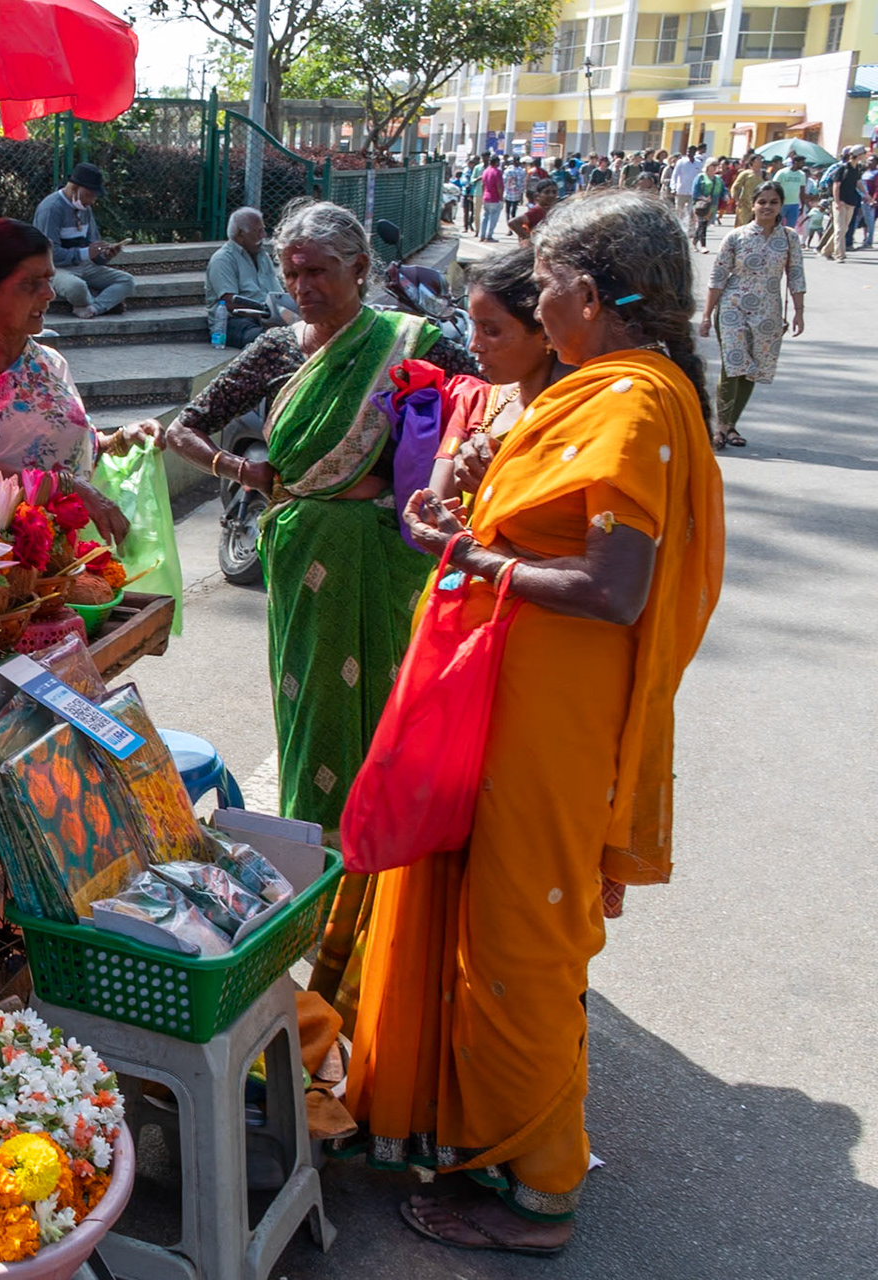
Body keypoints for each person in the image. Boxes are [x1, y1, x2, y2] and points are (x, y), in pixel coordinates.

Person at [346, 190, 725, 1256]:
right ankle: (487, 1133)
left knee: (521, 940)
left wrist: (473, 562)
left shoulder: (634, 404)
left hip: (552, 720)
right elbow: (547, 535)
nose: (539, 300)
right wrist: (459, 524)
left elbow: (613, 587)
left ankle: (540, 1189)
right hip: (511, 698)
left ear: (590, 296)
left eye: (547, 283)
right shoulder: (599, 391)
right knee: (491, 925)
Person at [134, 200, 480, 1030]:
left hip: (384, 563)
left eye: (318, 270)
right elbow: (188, 424)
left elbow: (492, 406)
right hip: (302, 555)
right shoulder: (278, 349)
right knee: (314, 718)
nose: (302, 286)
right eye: (291, 271)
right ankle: (329, 900)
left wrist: (435, 480)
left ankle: (393, 900)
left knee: (388, 719)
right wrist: (238, 469)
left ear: (361, 269)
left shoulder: (413, 342)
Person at [0, 218, 143, 539]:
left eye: (49, 279)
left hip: (45, 552)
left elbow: (59, 451)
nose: (48, 294)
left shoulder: (49, 362)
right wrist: (64, 488)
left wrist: (119, 441)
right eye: (31, 283)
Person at [428, 246, 571, 502]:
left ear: (545, 331)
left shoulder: (577, 416)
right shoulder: (476, 402)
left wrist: (500, 484)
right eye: (474, 326)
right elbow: (436, 503)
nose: (474, 345)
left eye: (490, 331)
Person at [700, 182, 805, 449]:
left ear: (781, 205)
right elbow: (718, 277)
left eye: (773, 202)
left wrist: (799, 312)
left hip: (768, 312)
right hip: (732, 308)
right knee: (732, 365)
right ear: (753, 205)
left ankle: (730, 426)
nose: (767, 207)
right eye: (762, 202)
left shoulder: (790, 237)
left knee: (751, 371)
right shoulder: (736, 237)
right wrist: (706, 315)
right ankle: (719, 427)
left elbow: (796, 275)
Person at [31, 162, 134, 319]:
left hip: (83, 266)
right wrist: (86, 253)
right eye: (90, 195)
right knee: (76, 287)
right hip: (55, 269)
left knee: (127, 281)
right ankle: (103, 303)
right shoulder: (51, 209)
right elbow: (48, 254)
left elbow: (92, 248)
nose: (92, 201)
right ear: (74, 188)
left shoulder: (85, 209)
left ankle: (94, 307)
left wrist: (105, 254)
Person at [204, 206, 285, 347]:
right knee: (266, 339)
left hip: (268, 317)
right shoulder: (223, 259)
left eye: (263, 230)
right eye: (258, 231)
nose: (264, 235)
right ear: (241, 235)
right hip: (236, 322)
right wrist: (263, 316)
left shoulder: (263, 256)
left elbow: (278, 293)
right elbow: (229, 302)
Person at [826, 148, 865, 261]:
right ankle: (840, 255)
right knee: (839, 229)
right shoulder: (842, 168)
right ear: (858, 155)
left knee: (844, 229)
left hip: (851, 202)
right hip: (840, 202)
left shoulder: (857, 169)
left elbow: (858, 183)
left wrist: (866, 195)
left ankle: (826, 250)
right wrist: (837, 201)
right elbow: (836, 186)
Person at [690, 159, 723, 251]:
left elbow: (723, 189)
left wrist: (726, 195)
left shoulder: (718, 179)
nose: (714, 168)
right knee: (702, 224)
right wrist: (703, 198)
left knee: (703, 224)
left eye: (716, 166)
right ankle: (703, 245)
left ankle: (694, 242)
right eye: (713, 166)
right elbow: (695, 191)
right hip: (701, 205)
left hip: (712, 206)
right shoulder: (700, 177)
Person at [669, 148, 703, 228]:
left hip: (693, 192)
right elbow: (675, 175)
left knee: (692, 211)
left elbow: (700, 177)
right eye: (687, 151)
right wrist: (673, 187)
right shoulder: (681, 162)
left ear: (694, 152)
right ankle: (677, 227)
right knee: (679, 211)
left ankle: (691, 229)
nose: (689, 153)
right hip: (681, 190)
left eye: (691, 151)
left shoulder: (698, 163)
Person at [770, 156, 806, 228]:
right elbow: (774, 186)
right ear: (795, 162)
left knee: (790, 227)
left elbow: (802, 190)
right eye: (802, 163)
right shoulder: (782, 172)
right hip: (782, 204)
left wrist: (802, 205)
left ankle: (787, 239)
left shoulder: (802, 174)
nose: (803, 165)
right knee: (776, 225)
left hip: (794, 204)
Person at [730, 154, 765, 226]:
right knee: (743, 225)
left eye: (761, 160)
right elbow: (736, 187)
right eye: (758, 160)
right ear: (752, 161)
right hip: (745, 204)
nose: (760, 161)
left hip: (760, 204)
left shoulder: (764, 174)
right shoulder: (745, 174)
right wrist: (736, 199)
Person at [479, 156, 506, 242]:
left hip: (486, 196)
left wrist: (484, 194)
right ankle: (489, 236)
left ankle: (482, 235)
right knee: (493, 218)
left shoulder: (485, 171)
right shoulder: (497, 172)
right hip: (494, 198)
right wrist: (501, 198)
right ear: (496, 162)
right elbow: (499, 186)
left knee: (485, 217)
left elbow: (482, 184)